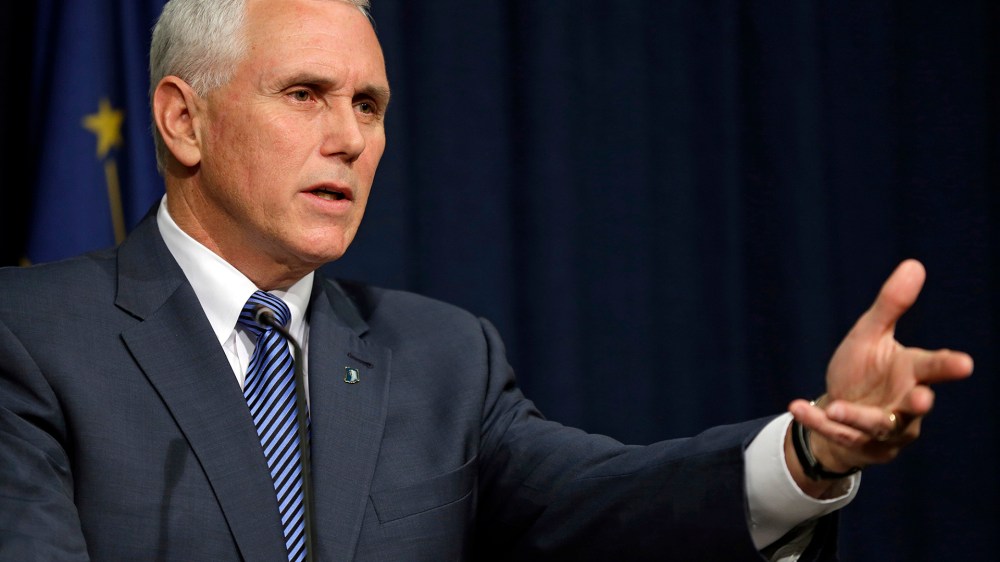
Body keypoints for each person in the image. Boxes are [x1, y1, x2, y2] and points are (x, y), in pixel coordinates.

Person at [0, 0, 973, 560]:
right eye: (305, 94)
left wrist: (809, 451)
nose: (351, 138)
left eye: (369, 104)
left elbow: (610, 502)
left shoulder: (441, 359)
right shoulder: (31, 336)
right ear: (183, 120)